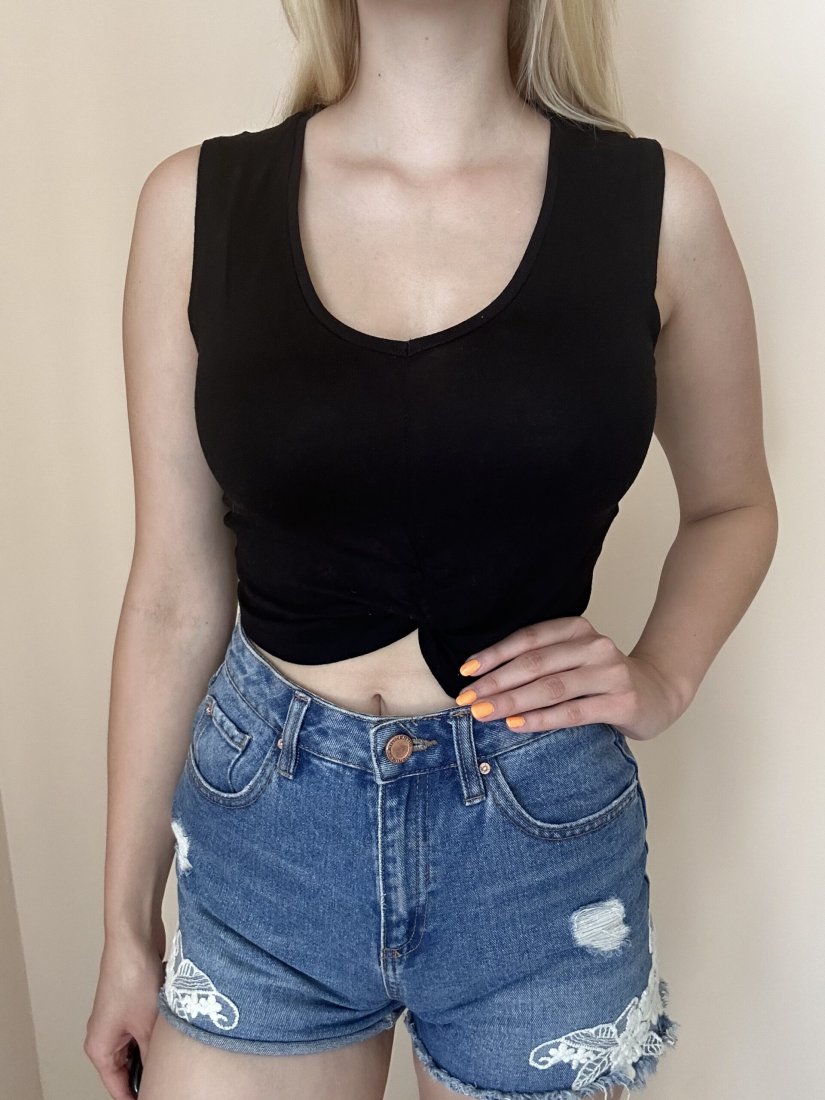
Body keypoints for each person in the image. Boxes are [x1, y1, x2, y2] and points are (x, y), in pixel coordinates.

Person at [84, 1, 777, 1098]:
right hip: (267, 838)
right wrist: (125, 926)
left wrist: (663, 673)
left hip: (536, 839)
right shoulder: (196, 206)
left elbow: (733, 504)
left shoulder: (657, 209)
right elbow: (172, 594)